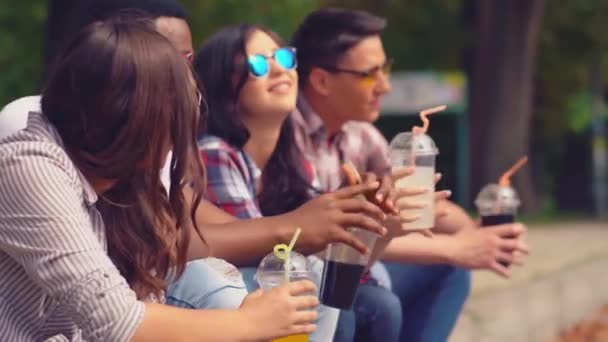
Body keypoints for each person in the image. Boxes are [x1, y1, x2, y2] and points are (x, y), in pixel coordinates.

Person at [0, 0, 391, 319]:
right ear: (109, 56)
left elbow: (191, 232)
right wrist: (293, 234)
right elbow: (118, 310)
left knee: (315, 281)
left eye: (188, 59)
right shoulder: (32, 141)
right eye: (168, 59)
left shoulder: (141, 152)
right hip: (91, 313)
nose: (185, 77)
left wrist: (350, 221)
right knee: (221, 286)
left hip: (112, 305)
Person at [291, 8, 530, 342]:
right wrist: (454, 247)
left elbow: (416, 205)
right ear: (321, 81)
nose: (385, 86)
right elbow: (327, 244)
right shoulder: (287, 134)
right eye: (370, 74)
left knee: (448, 270)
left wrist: (478, 236)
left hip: (355, 270)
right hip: (301, 277)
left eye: (385, 69)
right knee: (382, 300)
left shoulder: (359, 134)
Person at [192, 23, 420, 341]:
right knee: (361, 308)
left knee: (376, 304)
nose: (278, 70)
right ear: (223, 85)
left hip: (281, 287)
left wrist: (378, 227)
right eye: (257, 64)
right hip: (234, 298)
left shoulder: (290, 158)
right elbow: (268, 257)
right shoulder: (214, 153)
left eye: (284, 59)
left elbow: (332, 264)